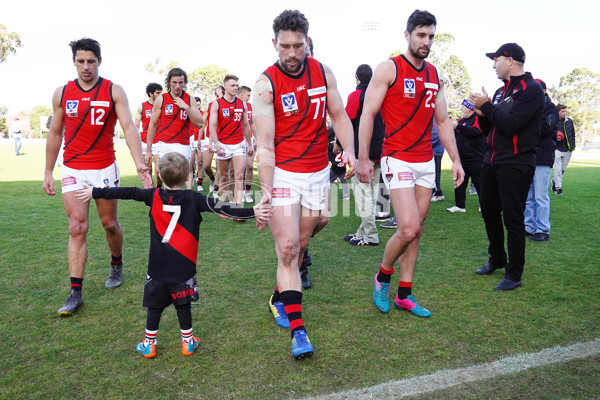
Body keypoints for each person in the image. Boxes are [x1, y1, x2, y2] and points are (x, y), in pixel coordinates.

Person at [74, 152, 269, 358]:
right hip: (183, 267)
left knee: (154, 305)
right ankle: (187, 342)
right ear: (188, 177)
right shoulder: (195, 199)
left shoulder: (153, 195)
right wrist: (252, 211)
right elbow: (224, 207)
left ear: (159, 174)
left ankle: (149, 343)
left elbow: (128, 192)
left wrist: (95, 191)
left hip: (157, 267)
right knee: (182, 303)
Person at [253, 9, 356, 360]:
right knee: (289, 249)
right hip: (283, 174)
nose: (293, 53)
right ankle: (299, 332)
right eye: (286, 46)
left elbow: (339, 115)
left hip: (318, 172)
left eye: (299, 46)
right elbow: (265, 146)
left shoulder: (322, 72)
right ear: (275, 44)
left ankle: (279, 291)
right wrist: (266, 190)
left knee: (309, 233)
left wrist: (351, 153)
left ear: (307, 41)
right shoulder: (265, 85)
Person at [357, 10, 464, 317]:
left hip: (426, 162)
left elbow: (442, 121)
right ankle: (382, 276)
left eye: (430, 36)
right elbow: (368, 114)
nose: (426, 41)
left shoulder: (434, 75)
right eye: (420, 35)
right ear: (407, 35)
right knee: (408, 228)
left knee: (417, 230)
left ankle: (405, 293)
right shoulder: (389, 68)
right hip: (396, 158)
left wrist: (455, 160)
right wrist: (364, 157)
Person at [42, 38, 153, 316]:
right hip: (73, 169)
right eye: (81, 61)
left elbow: (128, 127)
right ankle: (75, 293)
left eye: (91, 61)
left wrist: (139, 163)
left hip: (104, 169)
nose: (86, 66)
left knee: (109, 224)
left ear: (99, 61)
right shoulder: (62, 93)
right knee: (77, 227)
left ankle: (116, 263)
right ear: (74, 62)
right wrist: (47, 171)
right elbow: (55, 133)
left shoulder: (113, 90)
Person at [469, 42, 544, 290]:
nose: (493, 64)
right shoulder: (501, 92)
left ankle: (514, 274)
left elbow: (512, 124)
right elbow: (493, 127)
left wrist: (487, 107)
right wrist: (483, 114)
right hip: (490, 161)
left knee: (513, 219)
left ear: (509, 60)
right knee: (489, 213)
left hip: (516, 164)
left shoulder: (531, 90)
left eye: (496, 59)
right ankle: (497, 259)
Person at [343, 63, 385, 247]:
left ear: (357, 78)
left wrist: (341, 146)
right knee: (371, 195)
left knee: (363, 195)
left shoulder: (356, 95)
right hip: (381, 150)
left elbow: (347, 123)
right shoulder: (380, 94)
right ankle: (362, 232)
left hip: (363, 151)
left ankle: (370, 236)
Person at [145, 68, 204, 190]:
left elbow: (200, 123)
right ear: (169, 82)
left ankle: (187, 199)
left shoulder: (189, 99)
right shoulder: (161, 99)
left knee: (184, 176)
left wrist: (186, 107)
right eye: (174, 82)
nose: (177, 86)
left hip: (183, 144)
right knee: (168, 178)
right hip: (165, 143)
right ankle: (169, 205)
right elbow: (152, 125)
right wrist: (149, 150)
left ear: (184, 83)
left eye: (180, 82)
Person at [209, 75, 253, 206]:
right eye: (233, 85)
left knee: (239, 175)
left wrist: (249, 144)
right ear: (226, 87)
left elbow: (246, 125)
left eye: (237, 85)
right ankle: (223, 203)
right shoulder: (217, 104)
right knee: (223, 175)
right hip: (222, 144)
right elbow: (212, 125)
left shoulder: (242, 104)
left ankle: (237, 205)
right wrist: (216, 144)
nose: (236, 87)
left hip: (239, 144)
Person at [525, 80, 558, 241]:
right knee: (529, 195)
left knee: (540, 195)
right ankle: (529, 226)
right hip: (528, 156)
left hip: (542, 157)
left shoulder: (550, 107)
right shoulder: (530, 105)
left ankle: (542, 229)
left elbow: (545, 129)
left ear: (544, 91)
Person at [447, 99, 485, 213]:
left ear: (469, 107)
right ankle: (459, 205)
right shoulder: (461, 120)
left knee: (479, 183)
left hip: (476, 157)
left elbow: (475, 131)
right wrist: (451, 126)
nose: (461, 108)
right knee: (460, 182)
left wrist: (458, 126)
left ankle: (484, 205)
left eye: (463, 106)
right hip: (461, 158)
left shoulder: (478, 119)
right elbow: (454, 135)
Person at [135, 82, 163, 185]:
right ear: (151, 94)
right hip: (145, 142)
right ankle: (150, 191)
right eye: (158, 93)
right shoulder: (142, 107)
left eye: (161, 93)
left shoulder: (163, 106)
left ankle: (159, 186)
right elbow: (136, 127)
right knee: (148, 169)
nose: (160, 95)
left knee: (159, 169)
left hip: (159, 141)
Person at [200, 86, 223, 195]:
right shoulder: (208, 106)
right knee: (206, 165)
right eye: (216, 91)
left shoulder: (227, 104)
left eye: (219, 91)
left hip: (222, 138)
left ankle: (216, 188)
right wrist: (200, 138)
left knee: (219, 167)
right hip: (209, 138)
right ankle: (213, 179)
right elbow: (203, 124)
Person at [552, 104, 576, 195]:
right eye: (562, 111)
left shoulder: (569, 121)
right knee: (557, 169)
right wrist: (555, 138)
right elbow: (549, 133)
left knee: (562, 170)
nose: (564, 113)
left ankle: (554, 181)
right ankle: (559, 189)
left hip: (568, 149)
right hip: (557, 148)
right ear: (558, 112)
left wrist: (573, 145)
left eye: (565, 111)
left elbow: (573, 133)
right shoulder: (553, 121)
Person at [238, 85, 256, 203]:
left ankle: (247, 192)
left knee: (249, 166)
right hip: (237, 140)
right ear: (241, 95)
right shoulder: (234, 106)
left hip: (249, 139)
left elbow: (252, 123)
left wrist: (256, 138)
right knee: (238, 169)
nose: (250, 97)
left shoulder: (250, 106)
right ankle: (237, 193)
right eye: (248, 95)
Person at [430, 121, 446, 202]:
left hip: (435, 151)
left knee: (435, 172)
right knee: (431, 172)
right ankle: (434, 192)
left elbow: (435, 134)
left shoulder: (433, 118)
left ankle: (438, 193)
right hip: (433, 150)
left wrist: (425, 144)